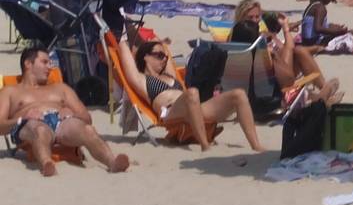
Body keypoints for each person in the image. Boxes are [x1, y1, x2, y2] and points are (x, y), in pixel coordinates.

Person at [117, 31, 265, 153]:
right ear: (145, 57)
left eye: (165, 57)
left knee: (238, 94)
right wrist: (121, 33)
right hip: (170, 113)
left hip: (193, 107)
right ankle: (204, 145)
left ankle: (255, 145)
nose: (164, 59)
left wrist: (155, 40)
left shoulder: (170, 75)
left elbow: (162, 47)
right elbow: (125, 57)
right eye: (159, 56)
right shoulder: (142, 80)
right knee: (192, 92)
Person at [0, 47, 130, 175]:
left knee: (87, 130)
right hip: (29, 124)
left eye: (50, 63)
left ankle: (112, 162)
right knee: (40, 130)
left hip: (62, 124)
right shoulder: (10, 91)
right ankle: (47, 163)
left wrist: (72, 114)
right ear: (28, 64)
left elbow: (87, 118)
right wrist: (22, 118)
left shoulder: (60, 88)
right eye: (44, 62)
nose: (50, 67)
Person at [231, 0, 332, 94]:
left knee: (298, 51)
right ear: (241, 17)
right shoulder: (245, 38)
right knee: (298, 51)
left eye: (257, 17)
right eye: (250, 17)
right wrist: (285, 30)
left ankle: (324, 89)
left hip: (272, 75)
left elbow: (286, 49)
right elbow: (288, 49)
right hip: (271, 82)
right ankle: (325, 90)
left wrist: (282, 30)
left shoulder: (259, 34)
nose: (255, 20)